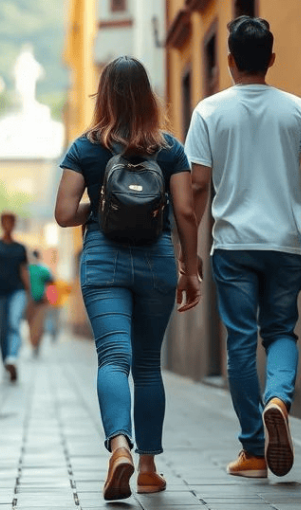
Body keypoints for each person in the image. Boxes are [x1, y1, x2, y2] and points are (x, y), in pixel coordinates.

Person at [185, 16, 301, 479]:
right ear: (271, 60)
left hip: (232, 245)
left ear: (230, 61)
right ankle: (278, 398)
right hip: (285, 244)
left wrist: (189, 253)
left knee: (238, 345)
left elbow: (197, 185)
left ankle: (254, 450)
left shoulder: (209, 112)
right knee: (280, 333)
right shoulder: (296, 109)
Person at [55, 55, 201, 500]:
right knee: (147, 365)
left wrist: (99, 207)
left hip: (103, 258)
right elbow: (187, 212)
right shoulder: (170, 147)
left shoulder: (85, 147)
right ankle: (148, 468)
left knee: (113, 358)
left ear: (105, 94)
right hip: (157, 259)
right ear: (147, 95)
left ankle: (119, 444)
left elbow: (63, 214)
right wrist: (190, 269)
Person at [0, 212, 31, 382]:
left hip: (17, 292)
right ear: (1, 224)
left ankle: (12, 357)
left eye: (12, 222)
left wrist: (29, 293)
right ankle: (6, 361)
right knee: (3, 330)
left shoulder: (20, 248)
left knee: (13, 323)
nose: (8, 225)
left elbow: (24, 272)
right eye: (5, 222)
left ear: (14, 224)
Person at [25, 250, 55, 356]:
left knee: (36, 324)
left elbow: (51, 283)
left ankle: (36, 344)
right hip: (31, 301)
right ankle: (34, 344)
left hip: (39, 301)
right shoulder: (28, 269)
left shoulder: (42, 270)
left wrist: (51, 298)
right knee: (33, 325)